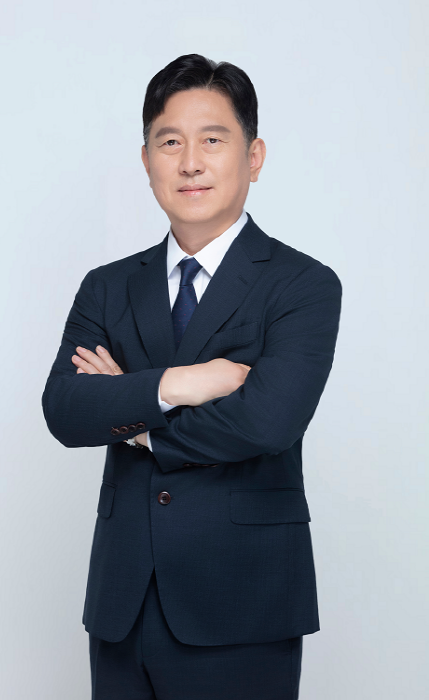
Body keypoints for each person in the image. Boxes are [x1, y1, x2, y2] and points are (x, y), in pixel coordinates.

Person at [42, 53, 342, 700]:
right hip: (123, 605)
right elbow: (65, 409)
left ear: (254, 157)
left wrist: (132, 419)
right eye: (170, 142)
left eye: (212, 140)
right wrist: (177, 385)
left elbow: (267, 422)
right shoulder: (107, 287)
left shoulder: (302, 285)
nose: (190, 163)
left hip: (243, 602)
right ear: (146, 160)